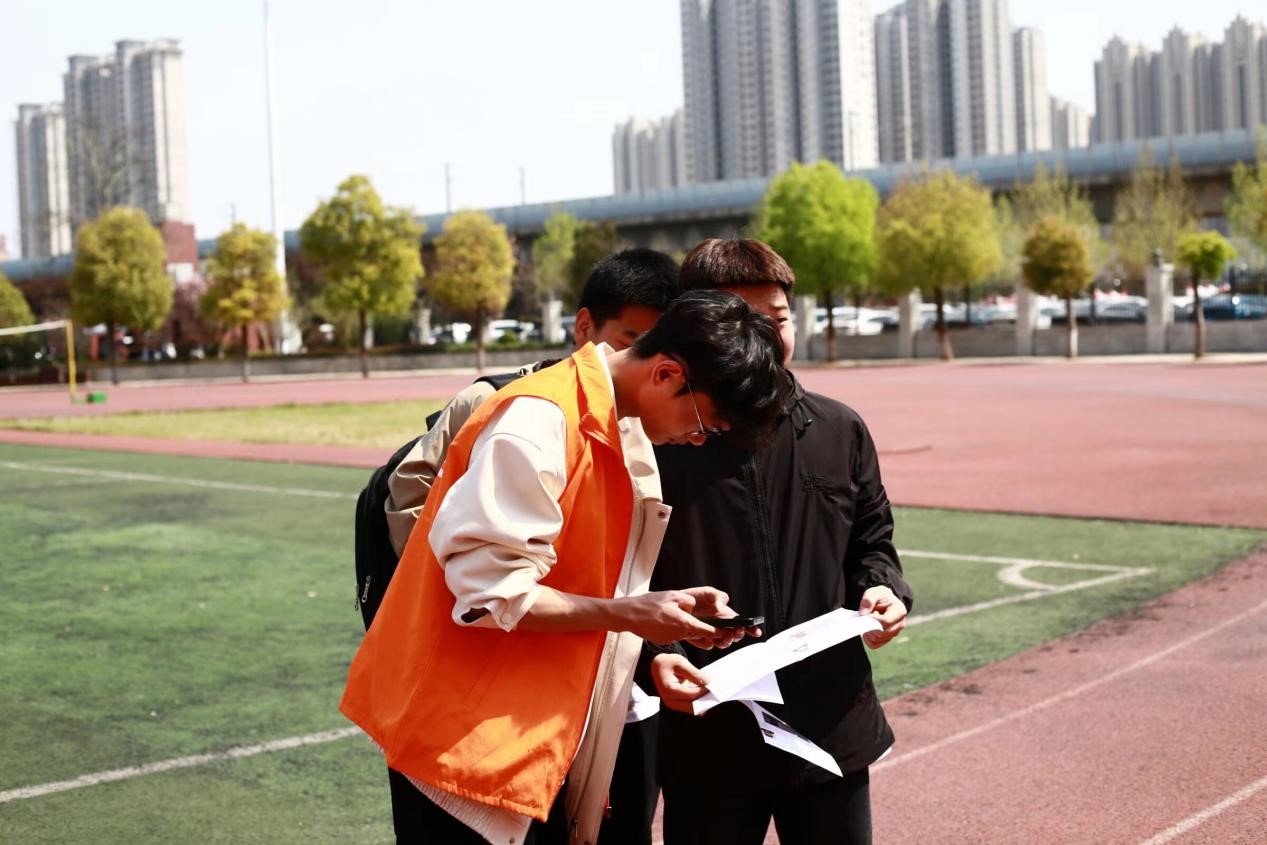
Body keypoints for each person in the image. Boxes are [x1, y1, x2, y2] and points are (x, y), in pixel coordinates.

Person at [341, 290, 790, 845]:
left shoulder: (614, 420)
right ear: (666, 374)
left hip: (520, 734)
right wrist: (632, 614)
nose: (698, 440)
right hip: (460, 743)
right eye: (705, 423)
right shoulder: (540, 419)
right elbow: (491, 595)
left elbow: (581, 574)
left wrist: (651, 625)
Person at [378, 248, 681, 845]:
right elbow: (418, 508)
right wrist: (468, 587)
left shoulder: (638, 423)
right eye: (632, 338)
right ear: (585, 325)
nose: (643, 358)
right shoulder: (519, 406)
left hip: (573, 678)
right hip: (485, 684)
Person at [644, 239, 913, 845]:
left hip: (831, 724)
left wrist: (884, 590)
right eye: (745, 321)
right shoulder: (657, 442)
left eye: (778, 318)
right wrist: (652, 659)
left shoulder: (840, 428)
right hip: (708, 732)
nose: (766, 337)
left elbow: (873, 543)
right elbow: (621, 581)